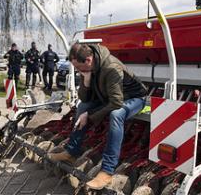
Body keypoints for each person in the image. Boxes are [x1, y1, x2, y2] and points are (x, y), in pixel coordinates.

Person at [48, 43, 148, 190]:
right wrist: (86, 81)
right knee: (82, 106)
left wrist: (89, 116)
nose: (77, 70)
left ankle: (107, 171)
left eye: (79, 68)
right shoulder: (87, 68)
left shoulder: (111, 67)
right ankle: (72, 152)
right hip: (110, 97)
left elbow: (116, 102)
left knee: (116, 114)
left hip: (134, 98)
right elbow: (85, 99)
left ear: (88, 60)